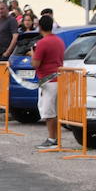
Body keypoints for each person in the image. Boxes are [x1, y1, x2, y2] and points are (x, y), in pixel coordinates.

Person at [31, 14, 65, 149]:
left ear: (40, 27)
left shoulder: (42, 43)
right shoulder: (59, 41)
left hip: (48, 81)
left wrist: (32, 54)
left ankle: (52, 139)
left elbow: (35, 64)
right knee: (55, 110)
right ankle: (55, 138)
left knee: (48, 111)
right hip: (59, 79)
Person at [0, 3, 18, 78]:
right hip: (0, 54)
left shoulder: (11, 20)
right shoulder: (0, 20)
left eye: (2, 8)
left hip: (7, 55)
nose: (0, 11)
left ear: (7, 8)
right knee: (0, 78)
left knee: (5, 78)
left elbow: (15, 37)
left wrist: (7, 52)